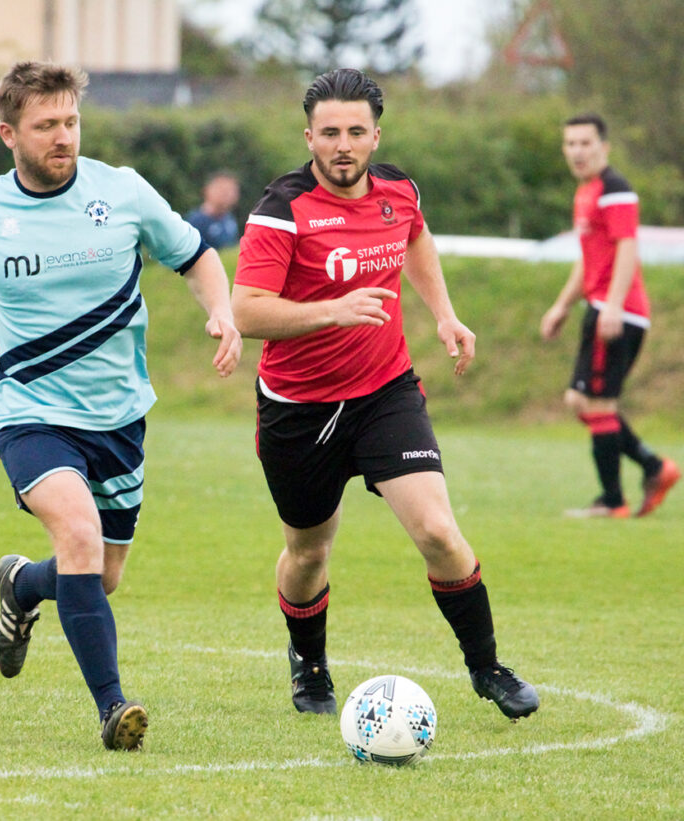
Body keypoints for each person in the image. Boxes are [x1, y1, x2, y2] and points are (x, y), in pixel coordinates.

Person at [0, 61, 241, 751]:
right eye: (46, 125)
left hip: (119, 416)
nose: (63, 136)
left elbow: (196, 255)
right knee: (79, 537)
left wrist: (224, 311)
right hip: (30, 412)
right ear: (9, 133)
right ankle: (114, 708)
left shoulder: (122, 191)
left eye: (70, 121)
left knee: (102, 576)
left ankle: (23, 585)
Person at [231, 68, 539, 721]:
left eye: (356, 131)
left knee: (436, 529)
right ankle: (309, 666)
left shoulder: (398, 190)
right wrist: (333, 310)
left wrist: (445, 314)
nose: (343, 145)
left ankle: (487, 667)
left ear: (376, 135)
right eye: (330, 132)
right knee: (309, 551)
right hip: (297, 410)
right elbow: (248, 313)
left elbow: (416, 237)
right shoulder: (280, 211)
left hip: (383, 394)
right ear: (308, 135)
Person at [541, 113, 679, 518]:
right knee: (581, 401)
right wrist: (562, 306)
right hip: (600, 306)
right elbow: (588, 260)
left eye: (586, 143)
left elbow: (626, 247)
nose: (577, 151)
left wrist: (614, 305)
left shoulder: (616, 189)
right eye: (571, 144)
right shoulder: (587, 192)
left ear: (605, 147)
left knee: (597, 404)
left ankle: (613, 502)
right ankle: (655, 467)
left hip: (617, 311)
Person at [185, 171, 241, 250]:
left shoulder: (230, 220)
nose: (227, 194)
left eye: (231, 190)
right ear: (207, 190)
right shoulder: (196, 221)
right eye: (221, 189)